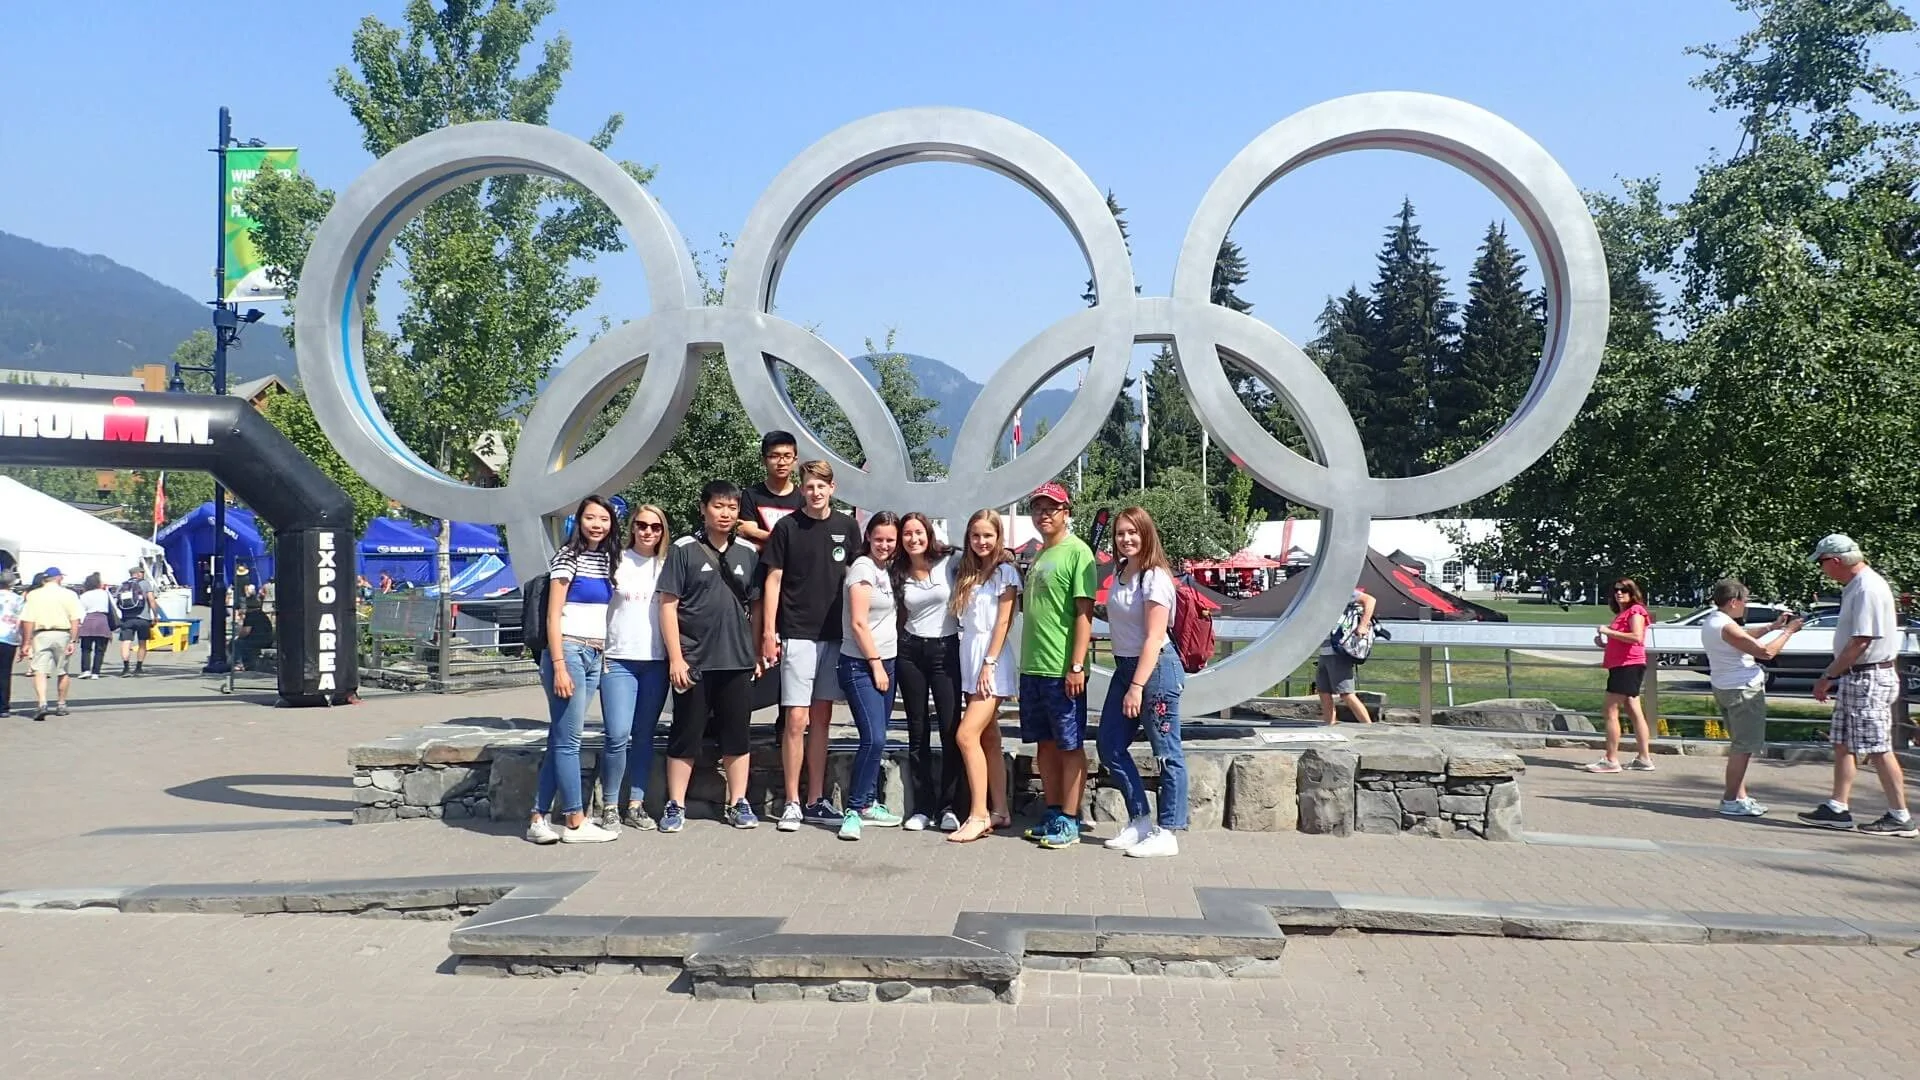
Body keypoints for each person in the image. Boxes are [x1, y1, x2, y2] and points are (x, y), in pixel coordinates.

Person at [658, 480, 763, 833]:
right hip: (694, 662)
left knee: (737, 736)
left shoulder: (748, 552)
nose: (726, 513)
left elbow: (757, 605)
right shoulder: (683, 550)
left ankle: (739, 802)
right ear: (704, 508)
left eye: (732, 507)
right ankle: (675, 805)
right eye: (719, 506)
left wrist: (757, 649)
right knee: (685, 735)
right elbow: (668, 605)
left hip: (737, 661)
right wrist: (676, 657)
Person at [759, 460, 858, 831]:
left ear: (833, 488)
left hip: (835, 635)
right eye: (809, 486)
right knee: (795, 720)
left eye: (822, 486)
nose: (815, 492)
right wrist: (770, 631)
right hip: (797, 633)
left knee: (821, 720)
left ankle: (815, 798)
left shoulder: (847, 527)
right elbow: (774, 579)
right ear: (802, 489)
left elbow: (858, 577)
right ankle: (792, 801)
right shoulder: (787, 527)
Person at [1797, 535, 1915, 836]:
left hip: (1869, 677)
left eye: (1822, 563)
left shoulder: (1867, 588)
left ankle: (1900, 815)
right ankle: (1838, 806)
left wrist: (1828, 675)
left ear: (1836, 561)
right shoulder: (1857, 587)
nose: (1822, 570)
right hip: (1857, 676)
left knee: (1877, 747)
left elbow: (1862, 640)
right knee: (1844, 742)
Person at [525, 495, 620, 845]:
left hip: (595, 654)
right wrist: (560, 665)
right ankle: (576, 820)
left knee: (559, 738)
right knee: (570, 741)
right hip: (569, 650)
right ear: (579, 521)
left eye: (604, 519)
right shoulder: (568, 557)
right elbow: (554, 614)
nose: (597, 524)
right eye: (590, 518)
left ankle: (538, 816)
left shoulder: (607, 558)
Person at [1096, 507, 1188, 859]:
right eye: (1120, 533)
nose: (1126, 538)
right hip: (1124, 666)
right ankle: (1140, 820)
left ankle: (1169, 830)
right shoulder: (1122, 571)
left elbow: (1154, 636)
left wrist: (1137, 686)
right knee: (1111, 745)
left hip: (1156, 669)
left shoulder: (1154, 577)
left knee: (1166, 752)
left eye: (1133, 532)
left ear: (1146, 534)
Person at [1019, 483, 1098, 851]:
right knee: (1045, 745)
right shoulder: (1040, 553)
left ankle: (1070, 817)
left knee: (1069, 745)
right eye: (1037, 508)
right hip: (1032, 666)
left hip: (1060, 667)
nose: (1043, 514)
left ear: (1066, 511)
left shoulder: (1077, 553)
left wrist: (1077, 665)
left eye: (1052, 508)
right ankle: (1052, 811)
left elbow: (1085, 616)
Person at [1700, 578, 1804, 817]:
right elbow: (1766, 652)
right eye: (1745, 601)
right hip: (1742, 690)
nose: (1746, 605)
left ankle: (1739, 796)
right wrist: (1789, 631)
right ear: (1734, 601)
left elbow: (1743, 636)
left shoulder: (1715, 621)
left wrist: (1773, 627)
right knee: (1743, 748)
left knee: (1739, 745)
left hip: (1725, 687)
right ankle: (1729, 801)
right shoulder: (1726, 625)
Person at [600, 504, 673, 833]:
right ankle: (610, 805)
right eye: (642, 525)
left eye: (655, 527)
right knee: (617, 735)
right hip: (618, 659)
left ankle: (636, 804)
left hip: (656, 661)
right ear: (632, 528)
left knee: (644, 736)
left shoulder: (667, 565)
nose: (648, 532)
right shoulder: (616, 561)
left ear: (662, 531)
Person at [947, 510, 1018, 844]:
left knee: (966, 735)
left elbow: (1003, 622)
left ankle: (978, 815)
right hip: (970, 658)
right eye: (976, 535)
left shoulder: (1005, 573)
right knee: (988, 737)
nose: (981, 542)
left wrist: (989, 662)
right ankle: (1000, 808)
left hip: (992, 661)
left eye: (987, 535)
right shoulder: (969, 572)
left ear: (998, 536)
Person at [893, 511, 965, 832]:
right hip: (910, 652)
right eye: (907, 534)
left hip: (946, 649)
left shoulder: (948, 561)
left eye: (918, 532)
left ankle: (950, 806)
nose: (913, 539)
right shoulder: (897, 571)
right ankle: (922, 806)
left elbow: (983, 554)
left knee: (951, 729)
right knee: (917, 730)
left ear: (929, 533)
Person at [836, 512, 904, 840]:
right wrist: (875, 663)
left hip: (887, 662)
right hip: (862, 664)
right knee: (873, 737)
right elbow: (859, 623)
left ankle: (871, 801)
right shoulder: (863, 568)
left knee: (879, 736)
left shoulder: (886, 569)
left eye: (890, 540)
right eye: (879, 539)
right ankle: (854, 808)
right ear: (868, 537)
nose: (885, 545)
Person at [1584, 578, 1656, 773]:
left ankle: (1611, 760)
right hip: (1623, 665)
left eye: (1624, 590)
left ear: (1632, 593)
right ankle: (1644, 758)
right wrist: (1606, 644)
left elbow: (1636, 637)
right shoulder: (1622, 613)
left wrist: (1608, 631)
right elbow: (1623, 641)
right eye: (1616, 590)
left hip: (1628, 666)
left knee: (1610, 711)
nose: (1619, 593)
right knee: (1634, 710)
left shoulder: (1636, 611)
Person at [16, 567, 82, 721]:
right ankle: (61, 704)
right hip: (63, 633)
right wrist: (73, 639)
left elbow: (28, 620)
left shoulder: (34, 595)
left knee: (39, 670)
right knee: (62, 670)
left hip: (41, 634)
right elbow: (75, 619)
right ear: (58, 578)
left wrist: (26, 642)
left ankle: (42, 703)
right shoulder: (70, 594)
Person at [1315, 588, 1376, 725]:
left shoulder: (1341, 590)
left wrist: (1363, 625)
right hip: (1325, 650)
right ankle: (1329, 724)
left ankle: (1368, 726)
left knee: (1346, 693)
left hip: (1339, 650)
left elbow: (1370, 600)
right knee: (1323, 691)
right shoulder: (1320, 592)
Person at [735, 431, 803, 548]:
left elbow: (804, 540)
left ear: (795, 461)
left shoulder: (804, 498)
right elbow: (749, 539)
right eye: (774, 456)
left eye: (787, 456)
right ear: (764, 461)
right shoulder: (751, 495)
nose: (781, 462)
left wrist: (756, 533)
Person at [114, 567, 155, 676]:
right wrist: (155, 615)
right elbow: (151, 600)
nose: (143, 574)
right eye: (142, 572)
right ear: (138, 574)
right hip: (143, 618)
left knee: (126, 642)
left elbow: (117, 601)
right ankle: (139, 667)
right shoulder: (145, 584)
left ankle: (126, 668)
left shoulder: (123, 585)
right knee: (142, 643)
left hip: (127, 619)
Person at [76, 572, 113, 680]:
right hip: (102, 620)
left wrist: (80, 625)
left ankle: (85, 670)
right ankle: (96, 672)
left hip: (88, 620)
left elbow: (80, 611)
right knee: (100, 649)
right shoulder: (105, 594)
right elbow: (112, 608)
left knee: (86, 648)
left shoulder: (84, 595)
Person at [0, 572, 21, 718]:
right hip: (9, 637)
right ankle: (3, 707)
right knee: (5, 673)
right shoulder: (18, 599)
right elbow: (21, 619)